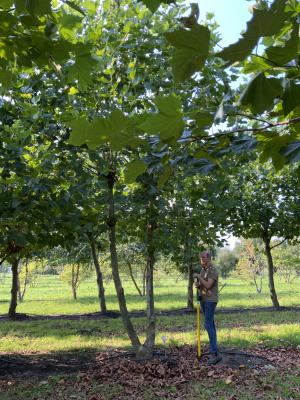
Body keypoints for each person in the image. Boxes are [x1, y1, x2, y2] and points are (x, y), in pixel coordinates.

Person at [194, 250, 222, 365]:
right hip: (204, 299)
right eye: (200, 258)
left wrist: (198, 277)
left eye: (204, 258)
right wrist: (198, 285)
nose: (202, 259)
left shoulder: (212, 270)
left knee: (208, 324)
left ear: (209, 258)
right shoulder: (203, 270)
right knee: (211, 324)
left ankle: (214, 353)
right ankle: (215, 351)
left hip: (211, 300)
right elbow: (202, 285)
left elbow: (208, 285)